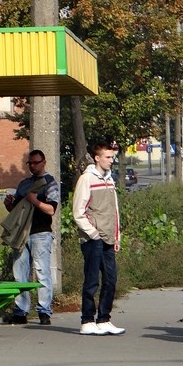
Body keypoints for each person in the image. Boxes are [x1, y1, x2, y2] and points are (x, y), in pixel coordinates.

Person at [73, 142, 126, 335]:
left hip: (109, 238)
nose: (111, 161)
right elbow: (78, 211)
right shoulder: (87, 179)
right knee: (92, 280)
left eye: (112, 157)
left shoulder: (110, 179)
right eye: (108, 157)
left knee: (111, 279)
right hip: (93, 238)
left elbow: (114, 211)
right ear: (97, 158)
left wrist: (116, 236)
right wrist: (93, 233)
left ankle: (104, 318)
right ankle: (87, 320)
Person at [3, 149, 60, 325]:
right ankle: (21, 311)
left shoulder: (49, 183)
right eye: (30, 163)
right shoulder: (23, 184)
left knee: (42, 271)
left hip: (41, 233)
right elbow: (18, 210)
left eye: (36, 163)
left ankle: (44, 311)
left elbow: (51, 209)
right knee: (19, 273)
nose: (32, 166)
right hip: (22, 233)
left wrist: (35, 201)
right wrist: (10, 205)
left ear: (43, 163)